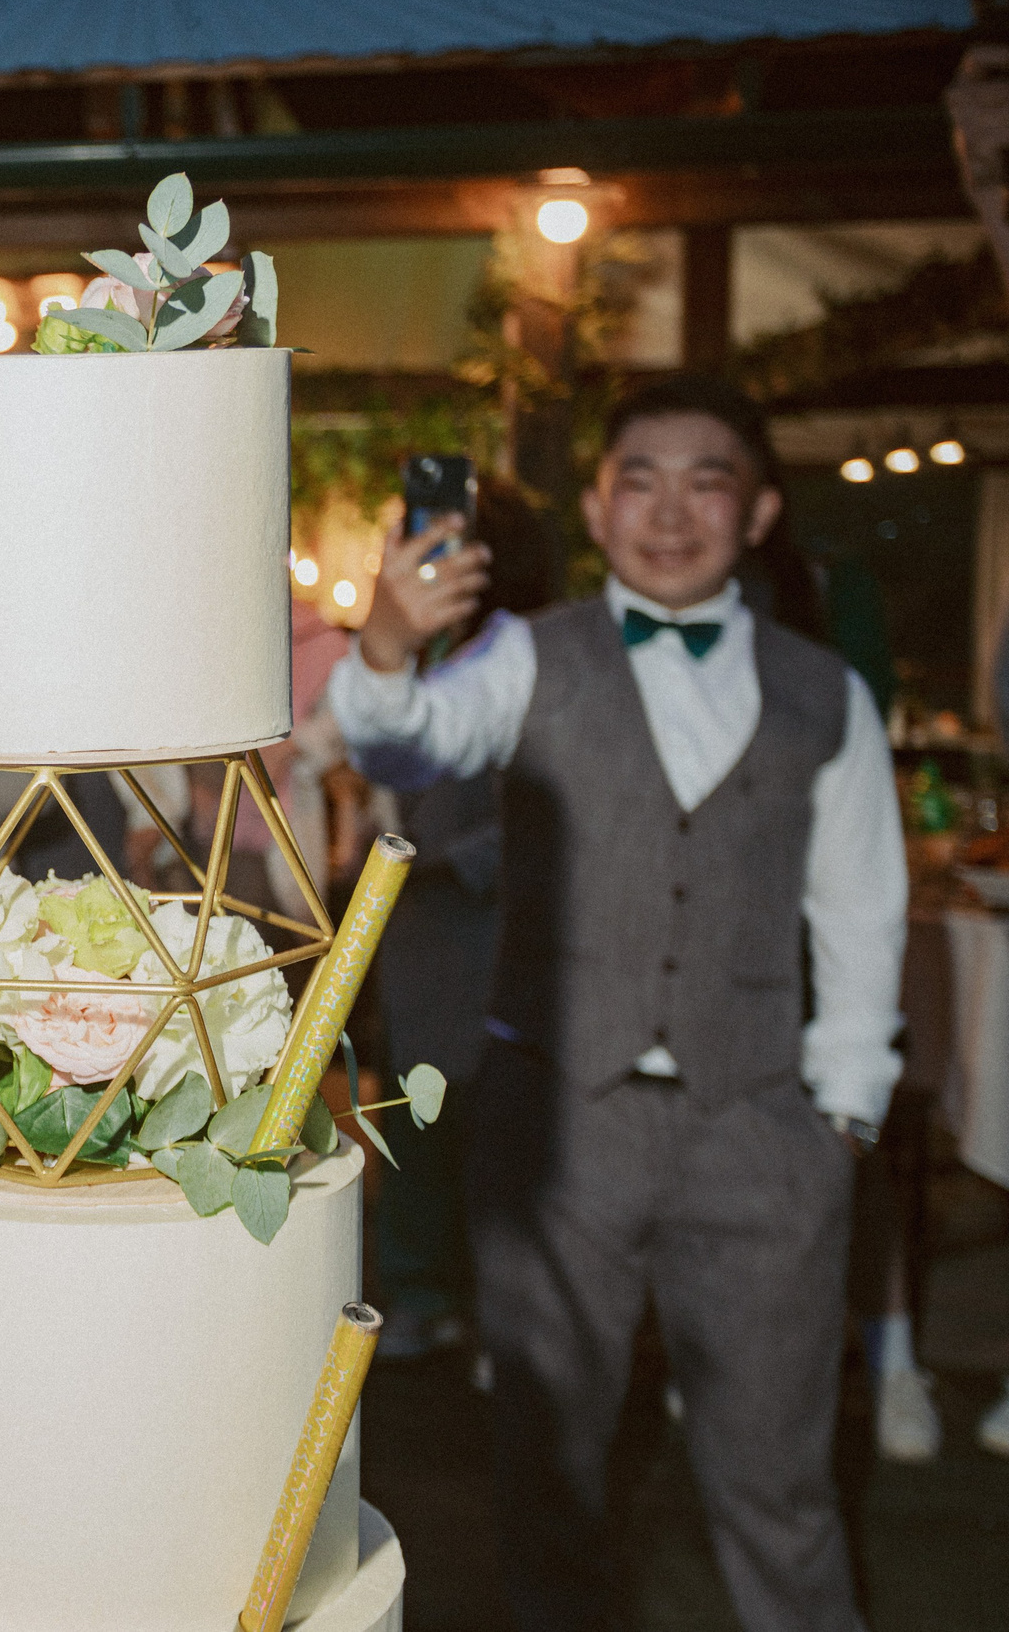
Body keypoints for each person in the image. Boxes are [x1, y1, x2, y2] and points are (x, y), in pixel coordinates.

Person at [330, 374, 904, 1632]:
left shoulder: (827, 696)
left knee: (778, 1486)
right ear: (598, 503)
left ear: (754, 513)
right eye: (640, 477)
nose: (670, 509)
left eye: (708, 479)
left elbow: (862, 915)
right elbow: (402, 745)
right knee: (547, 1476)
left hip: (761, 1133)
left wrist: (842, 1119)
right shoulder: (530, 655)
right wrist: (383, 643)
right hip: (556, 1129)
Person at [366, 487, 561, 1363]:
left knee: (490, 1118)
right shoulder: (434, 647)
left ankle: (493, 1311)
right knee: (415, 1110)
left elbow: (539, 812)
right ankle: (420, 1292)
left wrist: (441, 863)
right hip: (420, 934)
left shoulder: (529, 656)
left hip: (488, 929)